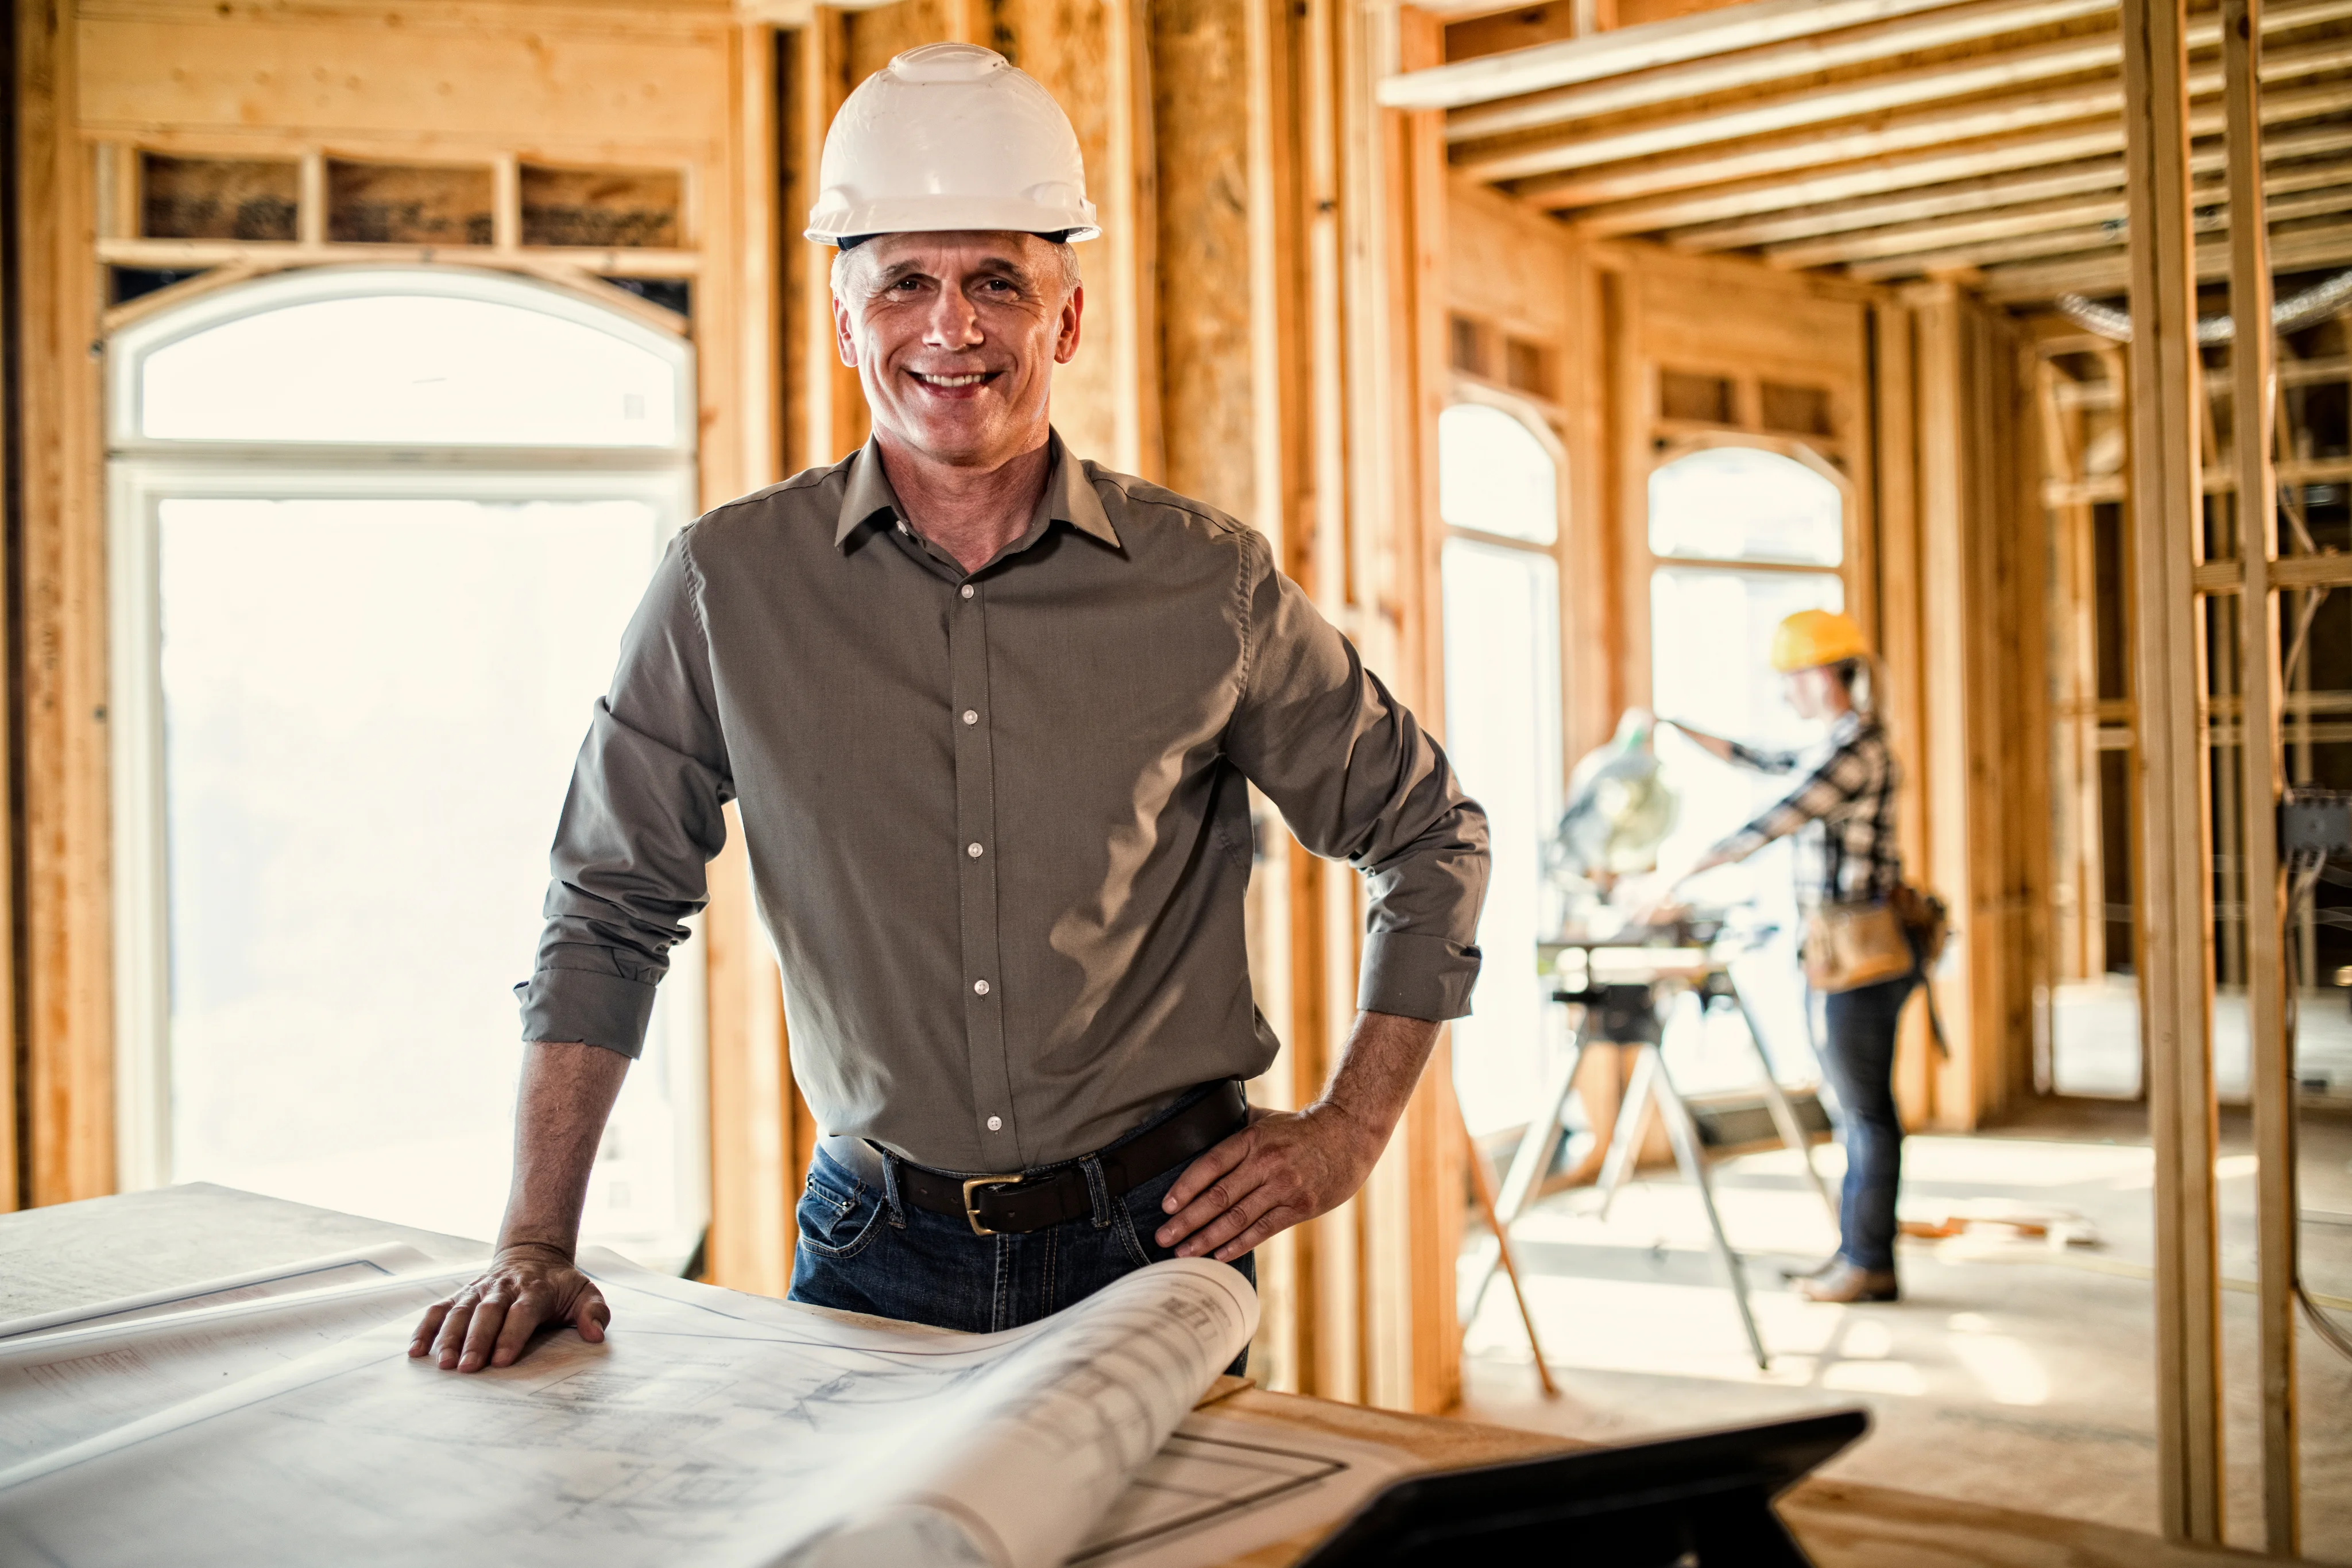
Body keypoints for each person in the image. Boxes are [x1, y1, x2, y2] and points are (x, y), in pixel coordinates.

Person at [409, 42, 1488, 1375]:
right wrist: (533, 1239)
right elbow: (605, 909)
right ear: (846, 315)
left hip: (1155, 1245)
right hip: (873, 1245)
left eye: (996, 282)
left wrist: (1349, 1132)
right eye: (906, 282)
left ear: (1066, 318)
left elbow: (1431, 836)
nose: (951, 327)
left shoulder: (1206, 584)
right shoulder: (725, 586)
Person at [1651, 609, 1912, 1305]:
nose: (1785, 693)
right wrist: (1674, 728)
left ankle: (1867, 1261)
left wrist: (1676, 879)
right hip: (1842, 952)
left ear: (1823, 676)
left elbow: (1771, 822)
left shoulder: (1854, 751)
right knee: (1860, 1108)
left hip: (1859, 957)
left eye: (1791, 678)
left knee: (1864, 1112)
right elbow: (1759, 758)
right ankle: (1858, 1253)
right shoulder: (1839, 742)